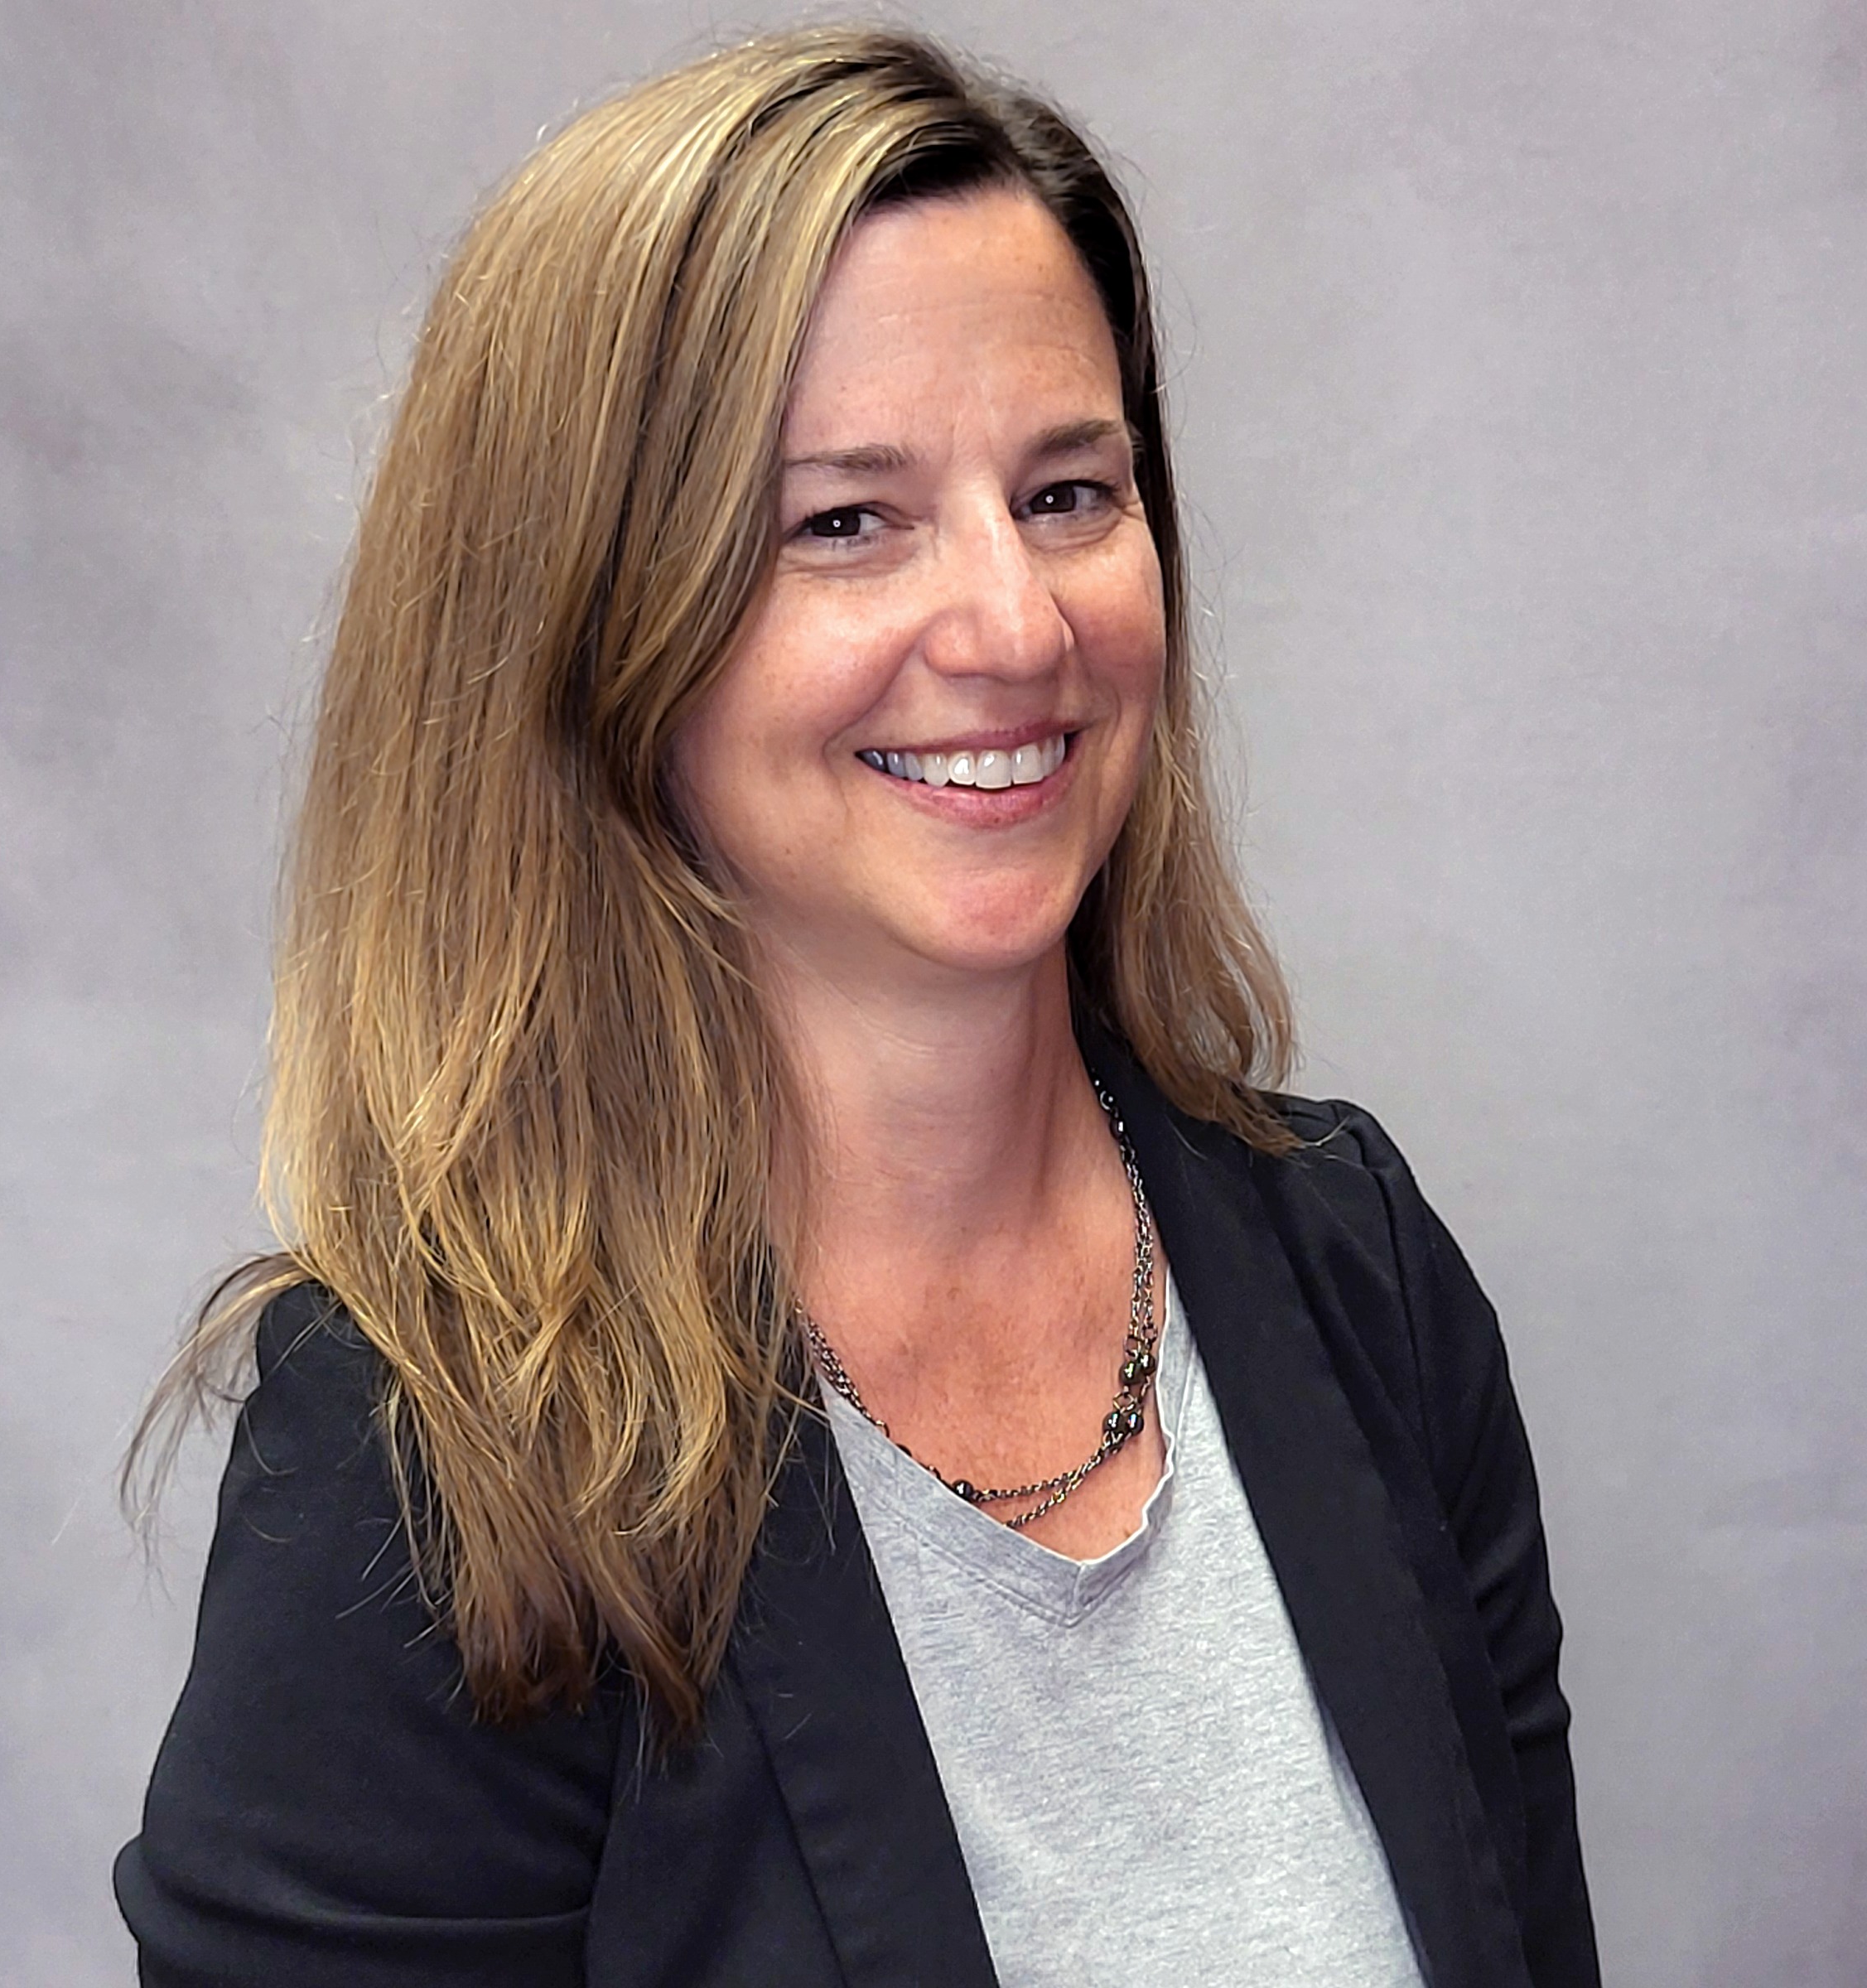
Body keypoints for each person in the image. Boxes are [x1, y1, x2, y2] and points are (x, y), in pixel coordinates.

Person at [116, 25, 1599, 1988]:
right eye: (846, 520)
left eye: (1071, 491)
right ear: (594, 630)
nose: (1015, 626)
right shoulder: (420, 1469)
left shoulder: (1358, 1273)